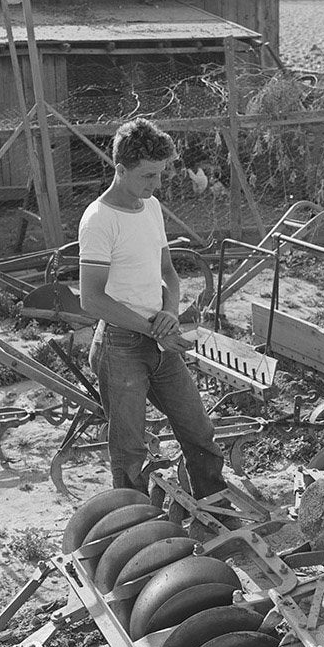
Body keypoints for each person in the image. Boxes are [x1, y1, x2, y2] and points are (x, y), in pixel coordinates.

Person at [78, 118, 225, 497]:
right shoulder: (99, 220)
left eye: (160, 173)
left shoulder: (151, 207)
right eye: (148, 175)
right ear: (120, 169)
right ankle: (137, 524)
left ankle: (215, 507)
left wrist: (170, 313)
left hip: (160, 341)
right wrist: (151, 328)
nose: (157, 184)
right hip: (120, 346)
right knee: (130, 452)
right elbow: (91, 298)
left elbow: (169, 273)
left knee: (199, 431)